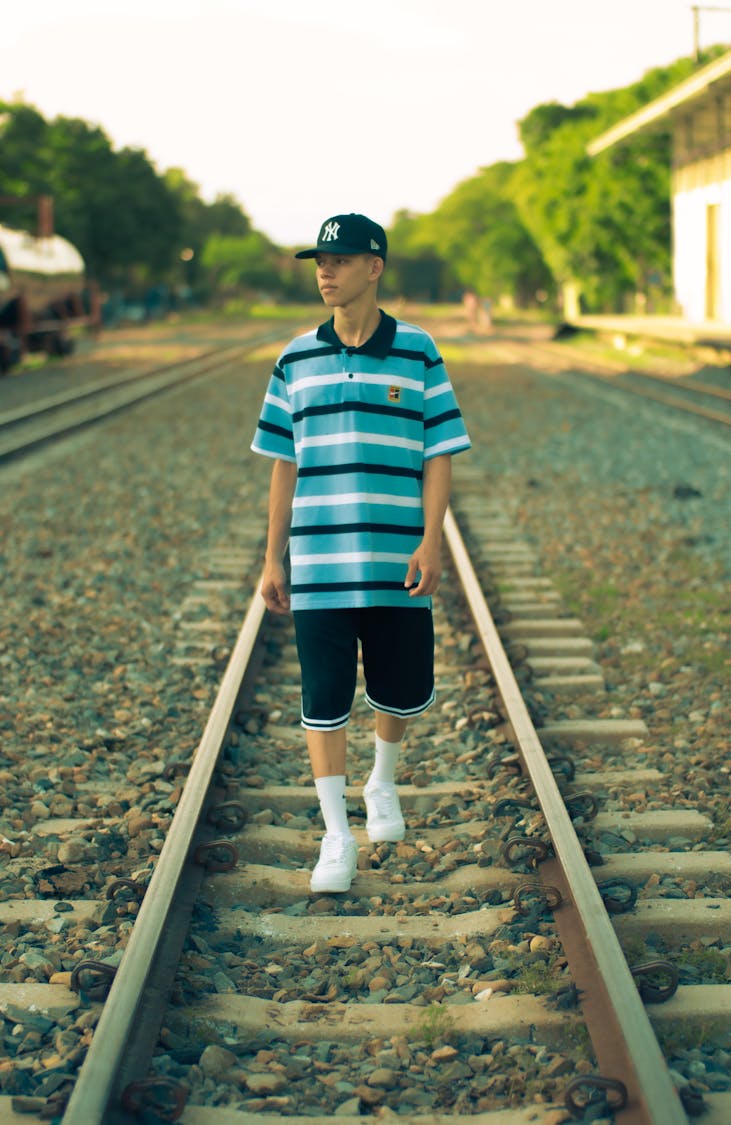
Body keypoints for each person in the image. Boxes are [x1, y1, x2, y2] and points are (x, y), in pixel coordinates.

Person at [251, 213, 470, 893]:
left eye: (340, 260)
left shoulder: (419, 350)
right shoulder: (294, 358)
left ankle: (382, 780)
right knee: (323, 700)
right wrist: (272, 558)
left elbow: (439, 452)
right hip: (319, 565)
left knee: (401, 693)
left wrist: (432, 538)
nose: (325, 271)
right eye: (320, 260)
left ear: (374, 267)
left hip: (397, 559)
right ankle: (336, 835)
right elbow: (282, 464)